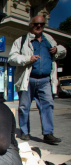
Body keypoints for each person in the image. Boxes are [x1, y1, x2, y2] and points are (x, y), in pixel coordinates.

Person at [8, 15, 66, 144]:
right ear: (31, 25)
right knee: (24, 107)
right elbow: (12, 58)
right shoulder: (21, 40)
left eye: (41, 24)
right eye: (36, 24)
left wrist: (57, 50)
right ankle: (25, 132)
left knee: (47, 105)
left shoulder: (48, 39)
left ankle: (48, 133)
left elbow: (63, 51)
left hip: (45, 80)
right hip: (28, 79)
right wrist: (28, 59)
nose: (39, 26)